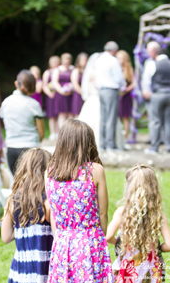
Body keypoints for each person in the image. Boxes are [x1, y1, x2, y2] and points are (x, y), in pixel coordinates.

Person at [45, 119, 112, 281]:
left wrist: (60, 238)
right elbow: (102, 213)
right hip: (90, 240)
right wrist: (99, 237)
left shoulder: (50, 172)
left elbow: (54, 213)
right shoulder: (95, 170)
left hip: (62, 242)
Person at [106, 164, 170, 282]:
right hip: (151, 271)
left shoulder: (122, 212)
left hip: (128, 270)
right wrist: (157, 247)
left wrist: (118, 242)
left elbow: (108, 236)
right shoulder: (159, 215)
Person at [0, 148, 53, 283]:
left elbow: (5, 237)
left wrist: (22, 230)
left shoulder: (12, 200)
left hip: (21, 272)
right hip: (44, 271)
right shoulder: (49, 202)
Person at [0, 70, 45, 174]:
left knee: (16, 184)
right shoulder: (34, 104)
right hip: (31, 148)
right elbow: (41, 133)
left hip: (11, 149)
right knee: (32, 185)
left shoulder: (5, 102)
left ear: (16, 83)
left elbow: (5, 125)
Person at [78, 52, 126, 151]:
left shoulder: (95, 71)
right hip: (97, 98)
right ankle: (106, 143)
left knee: (104, 119)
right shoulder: (98, 72)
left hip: (98, 97)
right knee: (107, 119)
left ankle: (104, 143)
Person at [142, 47, 170, 154]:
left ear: (157, 54)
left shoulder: (153, 64)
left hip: (157, 94)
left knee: (155, 121)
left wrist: (147, 91)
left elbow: (147, 80)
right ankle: (169, 147)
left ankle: (154, 147)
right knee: (169, 121)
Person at [94, 41, 126, 151]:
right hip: (111, 90)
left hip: (101, 90)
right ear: (114, 50)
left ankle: (102, 144)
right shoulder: (113, 60)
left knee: (103, 117)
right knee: (111, 117)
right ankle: (110, 144)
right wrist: (122, 85)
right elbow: (119, 77)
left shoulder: (98, 60)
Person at [141, 41, 163, 146]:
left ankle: (160, 138)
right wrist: (145, 90)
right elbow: (145, 79)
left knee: (159, 117)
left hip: (157, 93)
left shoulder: (160, 62)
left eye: (149, 51)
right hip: (150, 93)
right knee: (152, 117)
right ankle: (153, 137)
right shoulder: (148, 62)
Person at [52, 52, 75, 131]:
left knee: (71, 114)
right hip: (61, 95)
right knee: (62, 114)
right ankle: (62, 132)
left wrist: (71, 90)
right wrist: (62, 91)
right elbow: (55, 82)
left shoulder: (73, 69)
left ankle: (71, 132)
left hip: (71, 94)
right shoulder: (57, 70)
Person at [116, 50, 136, 139]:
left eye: (123, 58)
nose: (121, 60)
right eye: (119, 58)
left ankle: (126, 136)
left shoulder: (129, 69)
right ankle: (117, 135)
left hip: (126, 96)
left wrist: (126, 90)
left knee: (126, 116)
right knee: (117, 115)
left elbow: (134, 83)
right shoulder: (115, 68)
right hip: (117, 95)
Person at [42, 56, 60, 140]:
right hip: (51, 96)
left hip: (59, 96)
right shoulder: (47, 72)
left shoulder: (60, 71)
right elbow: (44, 85)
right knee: (52, 115)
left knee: (58, 114)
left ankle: (58, 131)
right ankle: (53, 132)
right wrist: (49, 93)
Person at [70, 52, 88, 118]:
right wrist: (83, 93)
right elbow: (75, 84)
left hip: (87, 95)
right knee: (78, 114)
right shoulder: (76, 70)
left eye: (86, 60)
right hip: (78, 95)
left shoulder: (88, 71)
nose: (84, 62)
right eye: (83, 60)